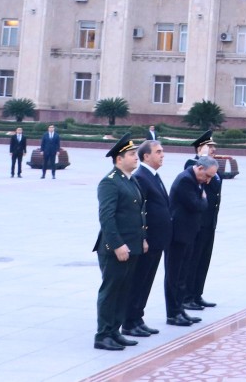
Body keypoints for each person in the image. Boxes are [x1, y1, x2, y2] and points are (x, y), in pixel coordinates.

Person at [92, 134, 147, 351]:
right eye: (132, 155)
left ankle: (115, 331)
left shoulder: (129, 179)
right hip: (115, 248)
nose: (136, 158)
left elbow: (138, 213)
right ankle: (103, 334)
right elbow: (107, 217)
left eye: (136, 154)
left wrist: (141, 240)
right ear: (118, 159)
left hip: (131, 246)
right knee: (111, 291)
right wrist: (117, 245)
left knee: (124, 290)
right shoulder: (109, 182)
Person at [123, 140, 171, 339]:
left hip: (157, 240)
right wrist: (143, 238)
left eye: (162, 151)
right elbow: (139, 211)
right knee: (138, 281)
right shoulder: (141, 177)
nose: (162, 155)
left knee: (146, 281)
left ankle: (138, 318)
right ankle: (129, 321)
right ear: (146, 156)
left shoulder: (154, 176)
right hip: (147, 240)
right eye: (158, 152)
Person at [166, 154, 217, 326]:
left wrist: (202, 199)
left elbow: (202, 204)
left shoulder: (196, 180)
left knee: (183, 275)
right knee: (174, 276)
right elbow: (198, 205)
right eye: (207, 175)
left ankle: (180, 310)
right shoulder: (186, 180)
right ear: (200, 168)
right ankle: (173, 314)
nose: (208, 180)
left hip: (188, 234)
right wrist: (203, 200)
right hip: (178, 235)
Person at [183, 131, 221, 311]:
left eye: (214, 147)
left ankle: (197, 294)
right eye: (209, 147)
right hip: (197, 224)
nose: (213, 149)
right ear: (200, 148)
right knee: (193, 260)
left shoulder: (212, 166)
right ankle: (187, 296)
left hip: (209, 223)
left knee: (203, 260)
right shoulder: (192, 165)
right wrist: (203, 157)